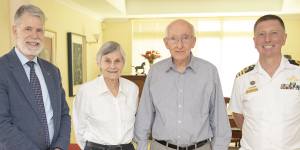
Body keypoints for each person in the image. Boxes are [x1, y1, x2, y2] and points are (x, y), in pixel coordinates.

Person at [134, 19, 232, 150]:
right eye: (173, 39)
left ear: (193, 41)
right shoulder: (155, 72)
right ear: (166, 42)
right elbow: (144, 116)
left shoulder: (209, 71)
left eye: (185, 38)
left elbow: (219, 119)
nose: (179, 45)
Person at [0, 4, 71, 150]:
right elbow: (2, 124)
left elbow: (64, 115)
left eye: (39, 30)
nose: (34, 36)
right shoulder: (3, 69)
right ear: (15, 30)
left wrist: (59, 147)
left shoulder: (53, 71)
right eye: (28, 29)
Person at [229, 14, 300, 149]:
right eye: (261, 34)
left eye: (274, 33)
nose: (267, 39)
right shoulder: (242, 78)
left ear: (284, 38)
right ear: (254, 40)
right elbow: (237, 114)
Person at [73, 41, 139, 150]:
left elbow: (135, 123)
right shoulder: (86, 91)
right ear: (99, 63)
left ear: (123, 63)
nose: (112, 66)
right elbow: (79, 128)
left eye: (117, 61)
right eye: (107, 61)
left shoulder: (132, 89)